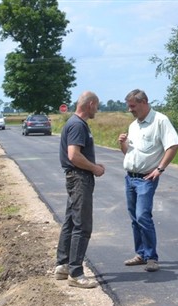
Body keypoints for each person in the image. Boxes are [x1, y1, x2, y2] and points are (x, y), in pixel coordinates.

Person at [117, 89, 178, 272]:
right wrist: (122, 143)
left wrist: (160, 169)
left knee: (143, 216)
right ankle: (141, 254)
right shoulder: (133, 126)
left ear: (144, 102)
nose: (130, 110)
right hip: (130, 177)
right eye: (128, 106)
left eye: (132, 106)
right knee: (134, 218)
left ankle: (152, 257)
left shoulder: (160, 120)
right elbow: (128, 152)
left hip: (146, 178)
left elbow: (174, 144)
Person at [55, 91, 106, 289]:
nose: (97, 109)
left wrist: (93, 164)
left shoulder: (74, 123)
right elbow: (74, 156)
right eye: (97, 105)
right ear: (90, 104)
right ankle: (76, 272)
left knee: (70, 221)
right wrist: (95, 168)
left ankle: (63, 265)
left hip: (76, 177)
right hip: (79, 179)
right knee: (82, 225)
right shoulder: (77, 125)